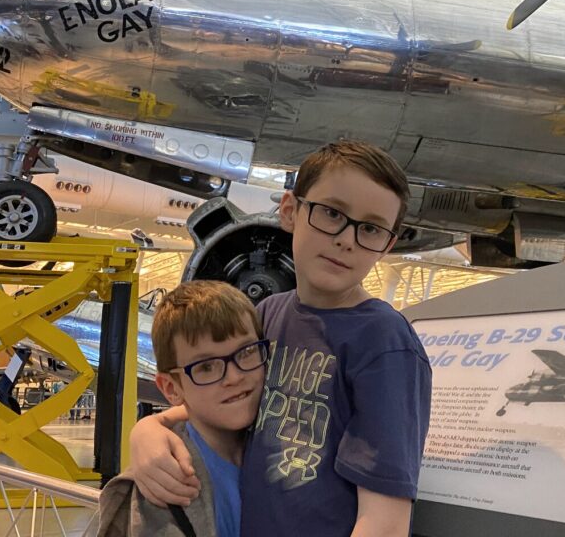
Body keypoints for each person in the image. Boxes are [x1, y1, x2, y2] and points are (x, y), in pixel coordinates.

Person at [129, 141, 432, 536]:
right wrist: (149, 430)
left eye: (371, 228)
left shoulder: (385, 343)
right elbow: (229, 397)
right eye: (331, 213)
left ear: (388, 245)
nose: (347, 239)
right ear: (290, 211)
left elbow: (384, 521)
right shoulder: (269, 314)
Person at [98, 281, 268, 537]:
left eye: (246, 352)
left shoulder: (282, 440)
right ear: (171, 388)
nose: (234, 377)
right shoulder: (162, 485)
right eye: (206, 367)